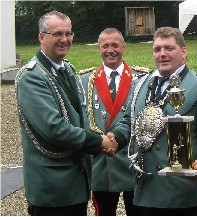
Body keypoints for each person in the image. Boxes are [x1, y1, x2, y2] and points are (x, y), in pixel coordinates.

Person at [110, 27, 197, 215]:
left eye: (169, 48)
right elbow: (129, 123)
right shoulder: (139, 85)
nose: (162, 54)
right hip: (146, 190)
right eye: (157, 49)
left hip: (184, 192)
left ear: (184, 52)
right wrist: (114, 138)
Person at [15, 11, 117, 216]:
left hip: (76, 184)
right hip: (52, 188)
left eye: (68, 34)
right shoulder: (32, 77)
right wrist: (98, 142)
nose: (64, 40)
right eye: (57, 34)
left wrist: (104, 137)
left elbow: (81, 116)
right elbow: (54, 128)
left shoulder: (67, 68)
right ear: (42, 37)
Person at [79, 28, 148, 216]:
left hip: (132, 160)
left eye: (115, 45)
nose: (111, 50)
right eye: (105, 46)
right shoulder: (85, 80)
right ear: (99, 49)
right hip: (102, 162)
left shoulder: (142, 78)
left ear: (123, 47)